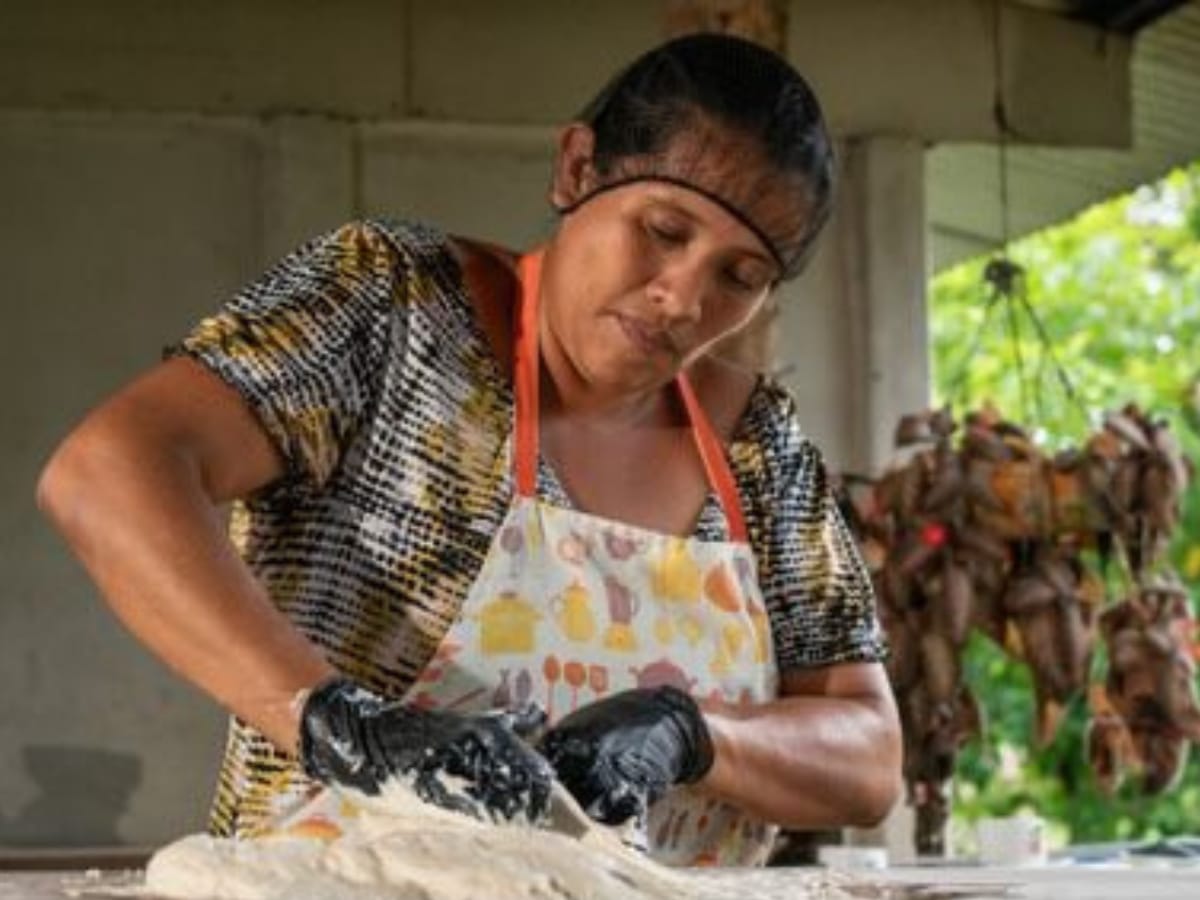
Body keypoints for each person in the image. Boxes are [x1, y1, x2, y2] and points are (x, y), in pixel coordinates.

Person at [38, 33, 901, 867]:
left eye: (739, 277)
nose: (683, 298)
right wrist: (338, 722)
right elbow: (105, 473)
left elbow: (868, 759)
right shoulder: (394, 308)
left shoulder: (758, 443)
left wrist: (692, 734)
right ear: (576, 169)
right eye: (664, 231)